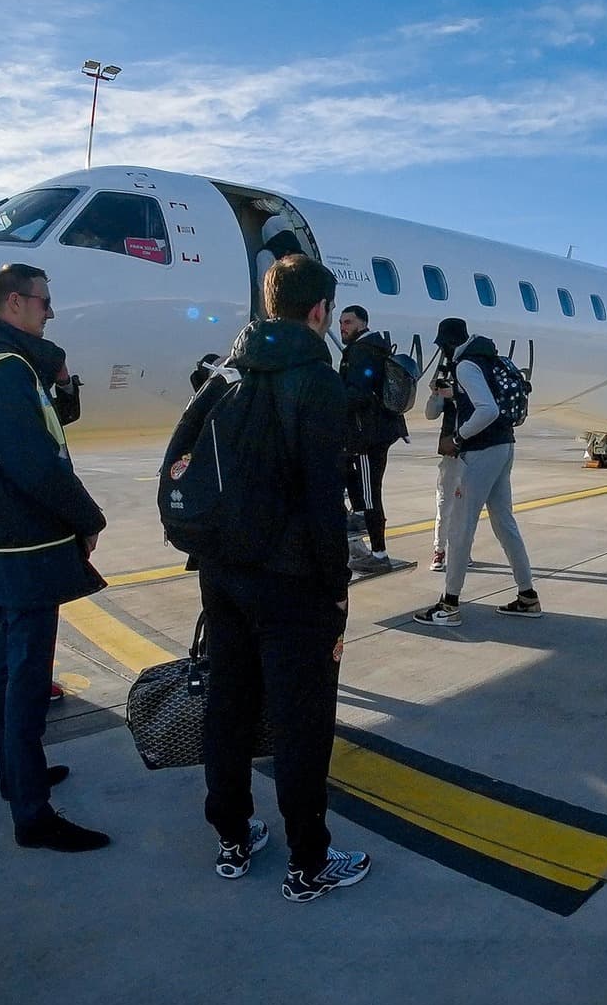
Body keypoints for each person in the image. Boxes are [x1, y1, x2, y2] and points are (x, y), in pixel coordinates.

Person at [199, 253, 372, 901]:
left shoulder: (228, 371)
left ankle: (233, 836)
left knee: (230, 705)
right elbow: (324, 498)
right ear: (320, 310)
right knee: (302, 723)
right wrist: (336, 585)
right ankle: (309, 862)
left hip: (222, 571)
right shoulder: (316, 380)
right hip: (291, 579)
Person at [0, 264, 110, 852]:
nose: (51, 312)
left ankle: (17, 777)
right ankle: (33, 817)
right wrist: (87, 518)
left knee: (0, 671)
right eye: (45, 302)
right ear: (15, 303)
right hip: (24, 553)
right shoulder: (6, 371)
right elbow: (36, 464)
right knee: (25, 679)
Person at [413, 322, 540, 626]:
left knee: (460, 526)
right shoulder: (489, 359)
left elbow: (487, 410)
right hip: (504, 445)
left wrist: (458, 438)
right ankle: (527, 596)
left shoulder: (466, 366)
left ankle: (449, 605)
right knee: (504, 522)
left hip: (481, 451)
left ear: (449, 342)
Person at [337, 304, 406, 576]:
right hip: (375, 433)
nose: (343, 327)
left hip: (368, 437)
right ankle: (360, 529)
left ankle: (379, 555)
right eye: (341, 322)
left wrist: (331, 398)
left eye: (348, 322)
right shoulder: (373, 347)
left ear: (363, 324)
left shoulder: (362, 351)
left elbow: (359, 393)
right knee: (361, 489)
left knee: (369, 495)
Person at [425, 318, 466, 573]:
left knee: (464, 507)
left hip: (471, 452)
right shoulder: (448, 373)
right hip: (451, 452)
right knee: (444, 504)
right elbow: (431, 414)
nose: (444, 350)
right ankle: (439, 550)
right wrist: (436, 394)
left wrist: (457, 394)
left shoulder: (473, 371)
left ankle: (461, 549)